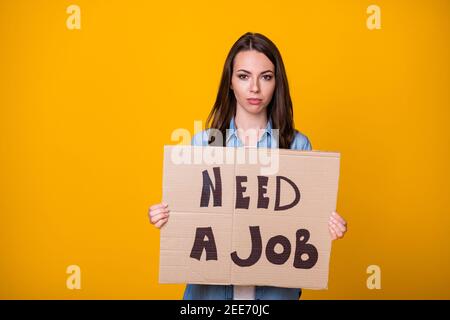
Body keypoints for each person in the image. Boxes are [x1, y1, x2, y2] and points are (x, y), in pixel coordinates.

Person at [148, 32, 348, 300]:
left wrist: (327, 227)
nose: (254, 87)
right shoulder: (202, 144)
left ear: (277, 83)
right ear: (230, 82)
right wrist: (165, 216)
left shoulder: (297, 146)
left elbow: (304, 226)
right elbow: (189, 221)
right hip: (209, 297)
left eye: (265, 77)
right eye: (243, 76)